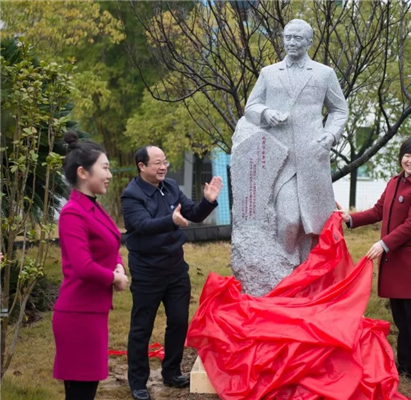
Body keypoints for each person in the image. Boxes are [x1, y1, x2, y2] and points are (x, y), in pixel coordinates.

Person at [122, 146, 223, 400]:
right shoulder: (132, 195)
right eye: (157, 163)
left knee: (178, 321)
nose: (163, 167)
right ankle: (138, 382)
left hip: (176, 268)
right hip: (147, 271)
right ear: (141, 166)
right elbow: (141, 226)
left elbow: (192, 214)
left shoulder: (171, 186)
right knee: (142, 327)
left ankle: (171, 371)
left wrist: (208, 201)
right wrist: (171, 220)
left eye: (164, 162)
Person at [244, 18, 348, 265]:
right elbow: (251, 107)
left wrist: (331, 135)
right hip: (280, 158)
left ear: (309, 42)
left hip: (312, 156)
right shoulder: (268, 73)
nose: (291, 42)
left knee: (314, 223)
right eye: (288, 37)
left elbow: (339, 110)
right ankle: (282, 271)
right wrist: (266, 113)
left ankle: (308, 277)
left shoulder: (324, 74)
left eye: (297, 37)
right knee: (289, 219)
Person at [336, 137, 411, 389]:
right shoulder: (394, 182)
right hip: (395, 259)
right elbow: (378, 210)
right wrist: (350, 219)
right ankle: (406, 368)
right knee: (400, 317)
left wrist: (383, 244)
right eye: (407, 155)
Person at [53, 132, 129, 400]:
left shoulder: (94, 207)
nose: (109, 175)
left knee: (85, 390)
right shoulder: (73, 213)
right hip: (78, 315)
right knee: (81, 393)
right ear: (83, 173)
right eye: (105, 168)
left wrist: (118, 266)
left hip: (92, 313)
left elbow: (111, 244)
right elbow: (83, 266)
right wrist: (114, 278)